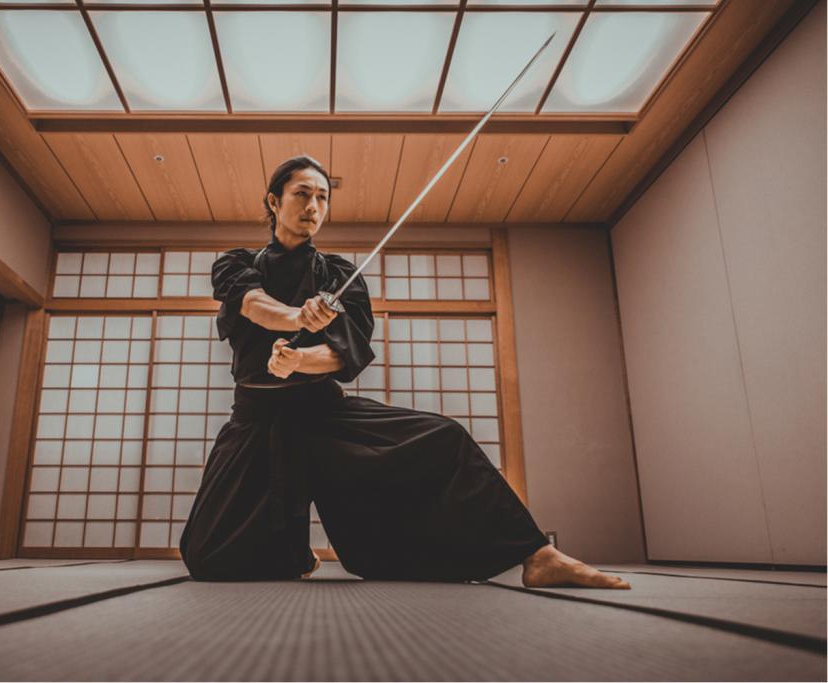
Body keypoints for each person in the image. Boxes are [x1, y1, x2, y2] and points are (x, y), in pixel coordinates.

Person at [179, 155, 630, 589]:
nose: (313, 206)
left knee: (444, 438)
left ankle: (537, 557)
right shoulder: (237, 263)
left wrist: (300, 360)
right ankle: (291, 552)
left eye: (322, 197)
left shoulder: (340, 275)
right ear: (274, 201)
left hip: (322, 414)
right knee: (206, 556)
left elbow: (345, 352)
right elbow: (254, 306)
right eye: (301, 194)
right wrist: (298, 318)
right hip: (257, 419)